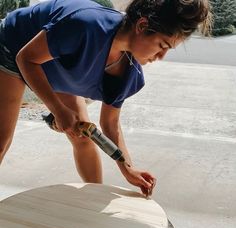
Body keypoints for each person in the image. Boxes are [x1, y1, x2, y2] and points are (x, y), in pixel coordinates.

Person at [0, 0, 212, 197]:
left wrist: (127, 169)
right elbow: (26, 58)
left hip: (57, 63)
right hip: (16, 46)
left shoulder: (128, 72)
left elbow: (110, 123)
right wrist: (57, 108)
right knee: (2, 140)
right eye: (162, 46)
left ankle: (95, 199)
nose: (161, 57)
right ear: (142, 25)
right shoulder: (85, 25)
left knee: (83, 136)